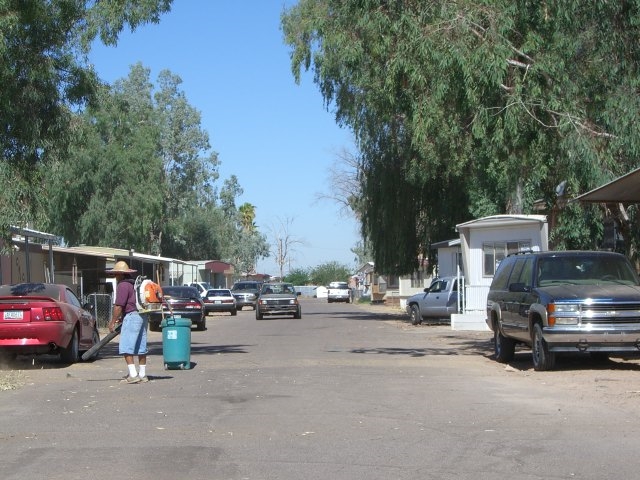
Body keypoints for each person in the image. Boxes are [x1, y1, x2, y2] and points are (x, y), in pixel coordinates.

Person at [107, 260, 149, 384]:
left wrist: (112, 322)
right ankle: (142, 375)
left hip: (132, 316)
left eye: (115, 274)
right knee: (141, 347)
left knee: (126, 346)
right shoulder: (134, 284)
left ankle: (133, 374)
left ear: (120, 274)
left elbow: (118, 306)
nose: (114, 277)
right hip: (142, 315)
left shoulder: (123, 285)